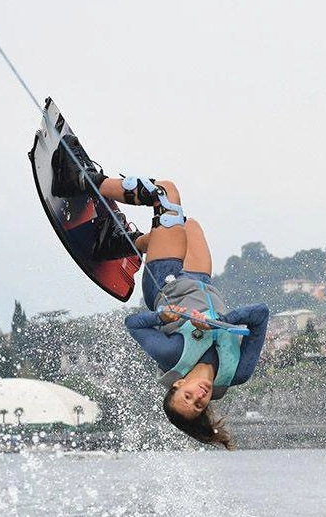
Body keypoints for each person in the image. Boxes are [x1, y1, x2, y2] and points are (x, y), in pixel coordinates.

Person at [51, 141, 269, 449]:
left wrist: (163, 316)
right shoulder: (237, 372)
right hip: (199, 279)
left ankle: (82, 180)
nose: (199, 395)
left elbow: (133, 324)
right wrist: (222, 322)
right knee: (189, 225)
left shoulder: (173, 355)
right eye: (197, 404)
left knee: (166, 195)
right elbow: (260, 314)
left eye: (187, 396)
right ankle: (123, 243)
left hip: (166, 280)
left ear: (178, 384)